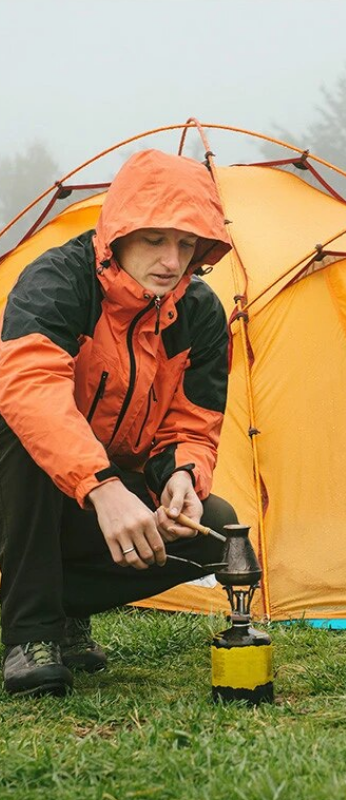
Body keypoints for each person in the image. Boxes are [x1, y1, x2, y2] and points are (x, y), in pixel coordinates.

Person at [0, 149, 237, 697]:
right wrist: (102, 487)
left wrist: (181, 476)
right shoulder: (58, 281)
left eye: (186, 243)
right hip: (20, 491)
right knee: (25, 433)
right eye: (155, 239)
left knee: (217, 531)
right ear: (119, 234)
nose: (172, 259)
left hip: (91, 495)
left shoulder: (197, 311)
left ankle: (58, 609)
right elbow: (29, 390)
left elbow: (193, 423)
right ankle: (30, 635)